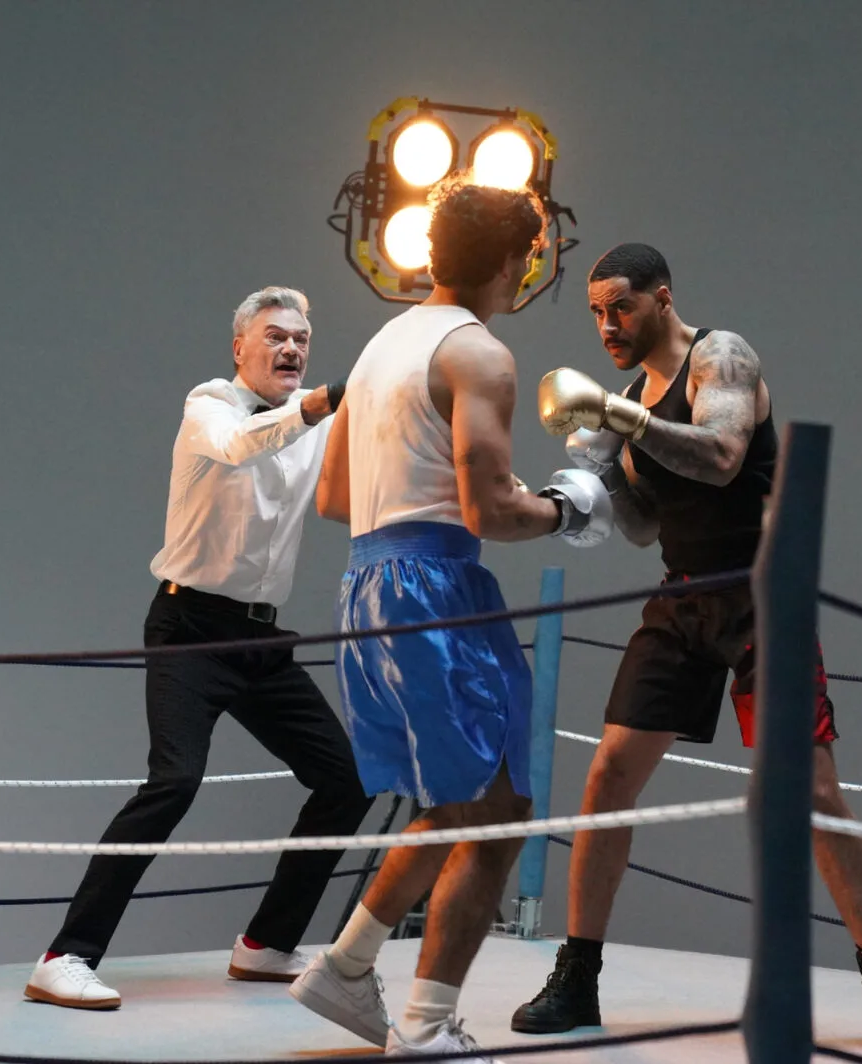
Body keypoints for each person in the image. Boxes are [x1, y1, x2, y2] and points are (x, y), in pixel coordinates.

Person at [514, 243, 862, 1054]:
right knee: (608, 776)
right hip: (682, 597)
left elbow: (722, 457)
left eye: (621, 307)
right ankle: (577, 976)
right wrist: (596, 477)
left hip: (762, 596)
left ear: (662, 299)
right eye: (596, 313)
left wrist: (622, 420)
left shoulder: (720, 357)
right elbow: (643, 528)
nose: (607, 325)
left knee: (812, 791)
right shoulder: (629, 399)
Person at [285, 180, 612, 1061]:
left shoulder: (379, 347)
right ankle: (425, 1023)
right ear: (516, 262)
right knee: (496, 810)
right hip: (436, 591)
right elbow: (489, 513)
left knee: (465, 801)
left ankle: (349, 964)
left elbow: (333, 497)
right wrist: (567, 506)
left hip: (366, 587)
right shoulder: (480, 355)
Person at [24, 286, 374, 1010]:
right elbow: (242, 444)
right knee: (174, 783)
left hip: (261, 638)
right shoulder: (210, 405)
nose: (291, 349)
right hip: (189, 630)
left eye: (301, 340)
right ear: (239, 347)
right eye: (275, 336)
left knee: (347, 781)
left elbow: (351, 489)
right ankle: (65, 956)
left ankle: (266, 944)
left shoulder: (313, 420)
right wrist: (321, 404)